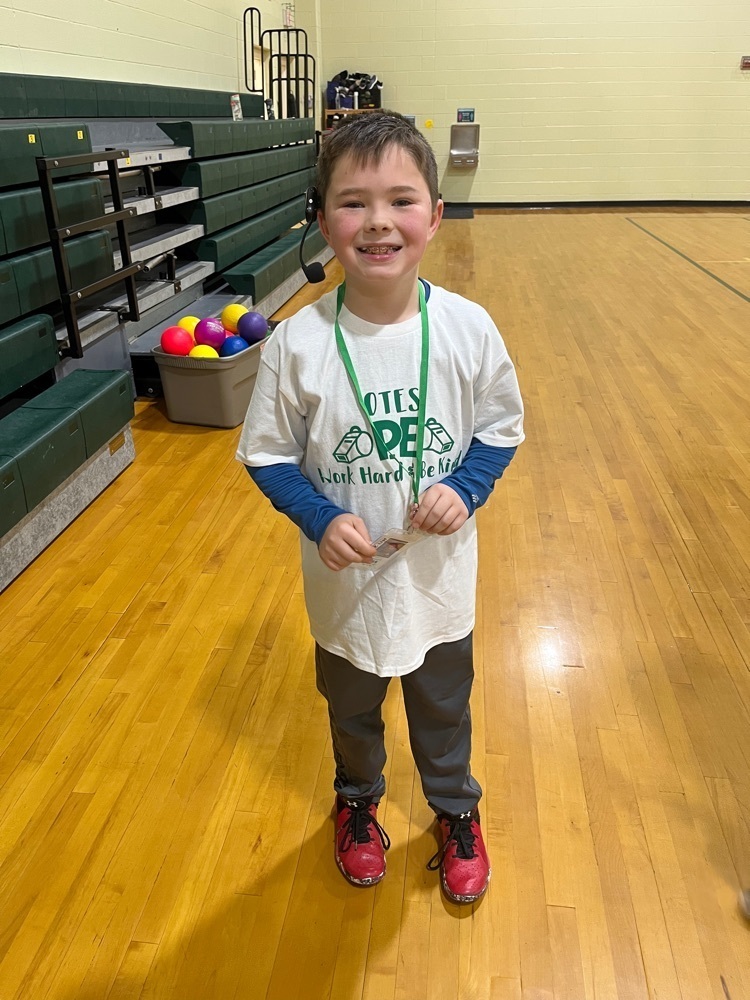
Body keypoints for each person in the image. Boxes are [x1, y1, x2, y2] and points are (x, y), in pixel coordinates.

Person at [236, 111, 524, 905]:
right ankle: (357, 801)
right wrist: (320, 516)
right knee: (352, 708)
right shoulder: (297, 343)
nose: (378, 223)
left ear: (434, 214)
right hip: (347, 595)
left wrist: (464, 488)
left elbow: (502, 429)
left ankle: (455, 811)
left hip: (438, 589)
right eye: (353, 202)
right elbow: (264, 452)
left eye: (401, 200)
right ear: (322, 216)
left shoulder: (469, 329)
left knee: (443, 709)